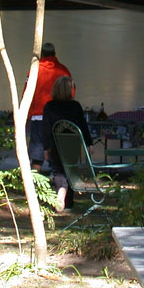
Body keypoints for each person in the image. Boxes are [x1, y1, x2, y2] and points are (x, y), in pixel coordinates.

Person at [41, 76, 91, 212]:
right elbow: (83, 126)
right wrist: (89, 143)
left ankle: (60, 192)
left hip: (56, 144)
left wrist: (46, 147)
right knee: (71, 170)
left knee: (58, 171)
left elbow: (46, 128)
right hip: (72, 144)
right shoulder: (75, 106)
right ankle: (68, 202)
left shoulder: (49, 106)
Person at [25, 42, 72, 171]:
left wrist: (28, 114)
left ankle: (34, 180)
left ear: (42, 54)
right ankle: (58, 179)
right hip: (59, 117)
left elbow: (27, 93)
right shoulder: (63, 70)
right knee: (57, 152)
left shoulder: (35, 70)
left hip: (38, 116)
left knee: (37, 154)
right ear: (55, 54)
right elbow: (71, 92)